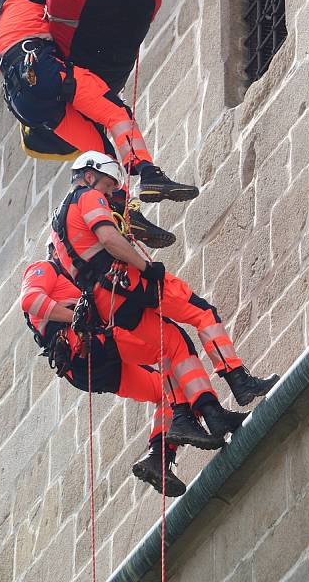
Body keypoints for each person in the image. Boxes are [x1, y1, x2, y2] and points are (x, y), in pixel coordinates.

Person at [50, 151, 280, 442]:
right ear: (90, 175)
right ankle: (239, 378)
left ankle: (205, 414)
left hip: (105, 304)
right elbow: (108, 237)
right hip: (126, 280)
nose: (109, 193)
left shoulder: (57, 225)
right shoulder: (87, 197)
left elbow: (76, 267)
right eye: (108, 185)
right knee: (201, 312)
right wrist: (145, 267)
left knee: (172, 344)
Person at [0, 0, 199, 205]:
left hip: (25, 105)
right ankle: (147, 172)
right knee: (115, 113)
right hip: (44, 72)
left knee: (100, 152)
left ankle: (119, 208)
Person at [21, 243, 228, 497]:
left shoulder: (77, 280)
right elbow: (30, 299)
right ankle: (207, 412)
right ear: (55, 251)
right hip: (89, 345)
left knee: (166, 392)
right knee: (171, 344)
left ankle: (158, 458)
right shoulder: (43, 269)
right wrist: (77, 316)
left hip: (90, 368)